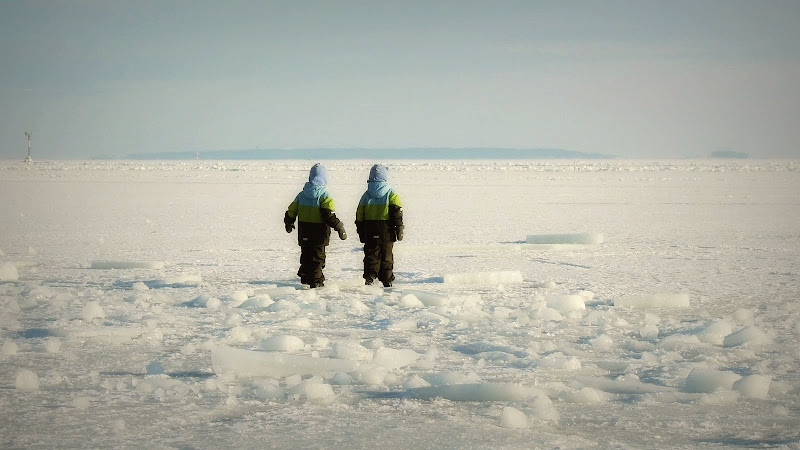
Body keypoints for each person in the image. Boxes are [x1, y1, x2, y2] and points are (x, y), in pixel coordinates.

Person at [284, 163, 347, 288]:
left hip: (304, 232)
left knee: (306, 254)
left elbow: (291, 210)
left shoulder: (302, 195)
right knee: (317, 258)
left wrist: (289, 222)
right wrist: (339, 226)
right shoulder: (324, 196)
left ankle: (305, 276)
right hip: (319, 234)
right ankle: (316, 281)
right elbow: (328, 215)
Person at [355, 164, 404, 287]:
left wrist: (360, 231)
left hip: (370, 230)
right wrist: (399, 228)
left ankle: (369, 277)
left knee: (371, 255)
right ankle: (387, 279)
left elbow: (359, 215)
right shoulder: (391, 194)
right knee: (386, 255)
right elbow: (396, 213)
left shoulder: (366, 195)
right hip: (386, 231)